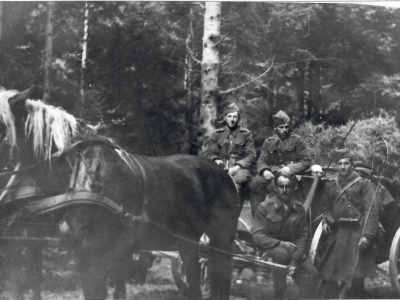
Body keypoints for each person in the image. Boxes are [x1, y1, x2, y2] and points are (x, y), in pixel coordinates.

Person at [318, 148, 379, 298]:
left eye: (346, 163)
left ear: (352, 164)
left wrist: (368, 235)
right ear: (336, 166)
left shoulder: (364, 184)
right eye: (339, 164)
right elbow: (326, 208)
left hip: (358, 230)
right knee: (330, 268)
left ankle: (357, 292)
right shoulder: (331, 185)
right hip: (339, 231)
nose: (343, 167)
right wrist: (327, 220)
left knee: (358, 270)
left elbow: (371, 211)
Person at [252, 174, 319, 299]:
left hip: (292, 250)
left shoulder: (299, 209)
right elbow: (257, 236)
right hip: (270, 248)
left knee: (312, 274)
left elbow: (302, 236)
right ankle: (280, 295)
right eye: (280, 186)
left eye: (287, 187)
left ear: (293, 188)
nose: (284, 190)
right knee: (281, 255)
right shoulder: (265, 207)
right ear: (275, 188)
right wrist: (280, 243)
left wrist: (294, 261)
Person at [249, 110, 314, 217]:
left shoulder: (297, 141)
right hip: (273, 172)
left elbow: (306, 161)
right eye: (281, 127)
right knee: (255, 184)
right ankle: (257, 218)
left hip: (292, 174)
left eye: (286, 127)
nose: (284, 130)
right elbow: (262, 160)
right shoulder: (268, 142)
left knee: (280, 188)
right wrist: (265, 170)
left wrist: (291, 168)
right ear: (275, 128)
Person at [203, 103, 256, 204]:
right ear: (225, 118)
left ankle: (234, 213)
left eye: (235, 116)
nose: (232, 119)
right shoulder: (217, 134)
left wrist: (237, 167)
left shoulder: (246, 134)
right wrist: (217, 160)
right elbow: (210, 153)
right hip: (221, 166)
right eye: (229, 116)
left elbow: (251, 155)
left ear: (238, 118)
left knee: (236, 185)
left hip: (240, 168)